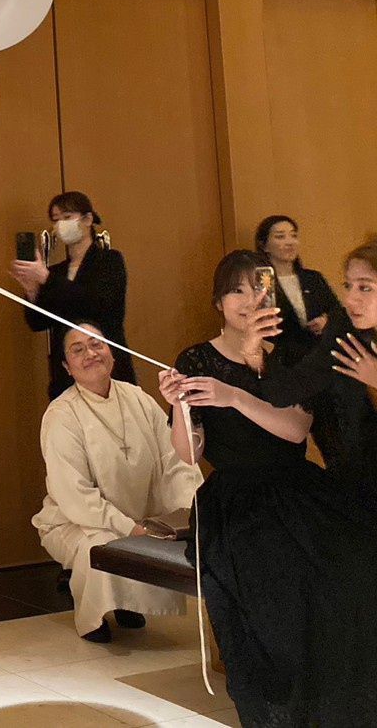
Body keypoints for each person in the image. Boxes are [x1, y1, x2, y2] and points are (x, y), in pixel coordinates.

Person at [161, 250, 377, 728]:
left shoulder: (291, 354)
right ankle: (282, 709)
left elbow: (296, 430)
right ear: (218, 301)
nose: (248, 300)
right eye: (236, 290)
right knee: (275, 582)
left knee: (354, 567)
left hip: (296, 487)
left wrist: (236, 392)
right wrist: (180, 406)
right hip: (235, 498)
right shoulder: (195, 358)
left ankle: (343, 703)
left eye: (258, 289)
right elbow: (190, 453)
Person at [32, 323, 201, 643]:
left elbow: (174, 458)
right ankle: (92, 617)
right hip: (75, 521)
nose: (90, 353)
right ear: (67, 367)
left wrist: (187, 511)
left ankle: (128, 602)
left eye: (97, 345)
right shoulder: (61, 415)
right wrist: (129, 528)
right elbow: (74, 495)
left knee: (149, 536)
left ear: (112, 353)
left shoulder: (138, 398)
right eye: (78, 350)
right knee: (99, 542)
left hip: (140, 516)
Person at [254, 237, 377, 515]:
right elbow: (288, 390)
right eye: (348, 285)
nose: (350, 299)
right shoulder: (345, 327)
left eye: (365, 287)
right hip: (358, 477)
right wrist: (258, 351)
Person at [11, 191, 136, 398]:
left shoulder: (110, 261)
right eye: (56, 220)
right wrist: (32, 290)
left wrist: (46, 278)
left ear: (87, 219)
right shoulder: (57, 272)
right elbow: (38, 323)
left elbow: (98, 304)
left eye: (67, 217)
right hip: (66, 375)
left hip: (107, 369)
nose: (61, 224)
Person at [254, 214, 343, 358]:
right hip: (280, 358)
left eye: (293, 236)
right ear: (264, 245)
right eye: (280, 237)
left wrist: (326, 322)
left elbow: (337, 311)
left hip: (319, 356)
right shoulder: (261, 281)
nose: (289, 242)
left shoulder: (313, 278)